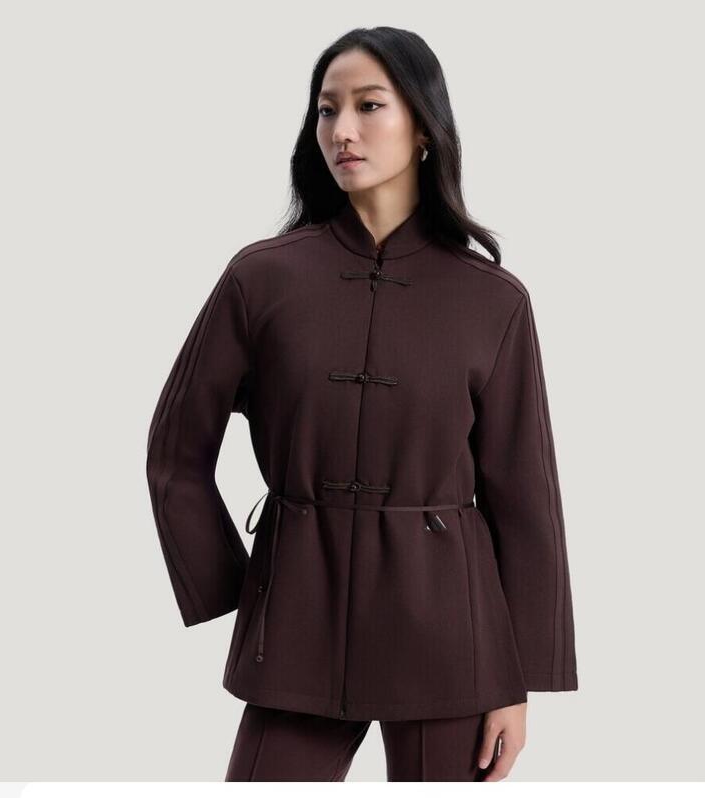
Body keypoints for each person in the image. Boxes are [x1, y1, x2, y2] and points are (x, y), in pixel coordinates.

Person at [145, 26, 578, 782]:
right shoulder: (260, 280)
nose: (342, 130)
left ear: (424, 128)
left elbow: (524, 494)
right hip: (297, 624)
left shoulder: (494, 300)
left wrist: (520, 679)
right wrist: (237, 588)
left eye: (369, 106)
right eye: (326, 110)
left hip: (451, 635)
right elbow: (176, 451)